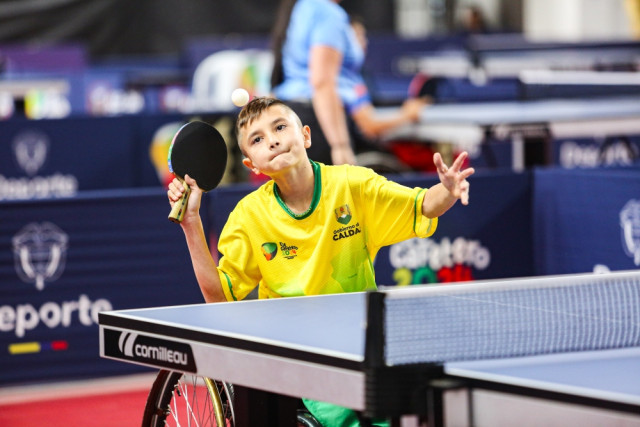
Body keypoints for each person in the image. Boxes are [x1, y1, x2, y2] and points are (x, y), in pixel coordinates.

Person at [167, 96, 474, 426]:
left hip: (362, 339)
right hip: (295, 352)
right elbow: (220, 297)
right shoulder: (248, 217)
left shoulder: (353, 184)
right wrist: (192, 223)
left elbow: (422, 205)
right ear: (251, 165)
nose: (272, 139)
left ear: (306, 136)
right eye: (257, 139)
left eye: (280, 127)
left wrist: (447, 190)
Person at [270, 0, 428, 167]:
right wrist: (340, 145)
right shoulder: (328, 13)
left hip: (295, 117)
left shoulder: (302, 7)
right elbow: (322, 82)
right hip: (317, 126)